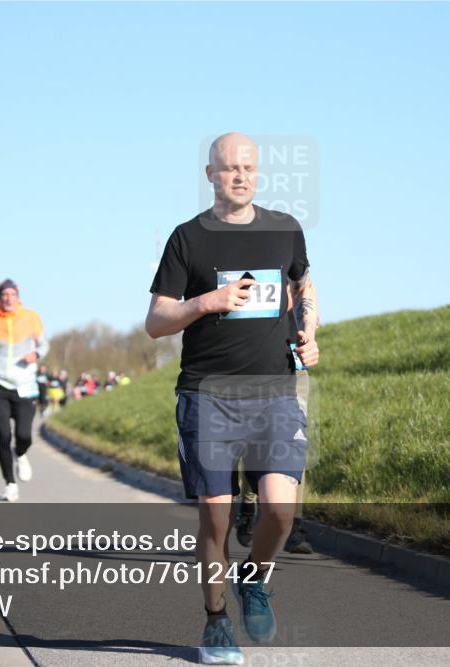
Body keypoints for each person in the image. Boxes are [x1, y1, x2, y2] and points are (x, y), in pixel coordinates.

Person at [145, 133, 320, 665]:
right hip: (208, 396)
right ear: (210, 175)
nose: (239, 176)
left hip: (274, 393)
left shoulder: (285, 230)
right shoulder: (187, 239)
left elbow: (303, 287)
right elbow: (155, 321)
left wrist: (309, 333)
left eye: (247, 167)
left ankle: (255, 579)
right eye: (228, 168)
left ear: (258, 172)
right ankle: (217, 622)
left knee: (280, 512)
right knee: (216, 520)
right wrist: (206, 301)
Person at [0, 279, 49, 502]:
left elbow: (44, 344)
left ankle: (21, 453)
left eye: (12, 294)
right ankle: (10, 483)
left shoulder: (31, 317)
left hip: (23, 383)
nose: (9, 299)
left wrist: (36, 354)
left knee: (24, 435)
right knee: (3, 435)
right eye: (5, 295)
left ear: (18, 297)